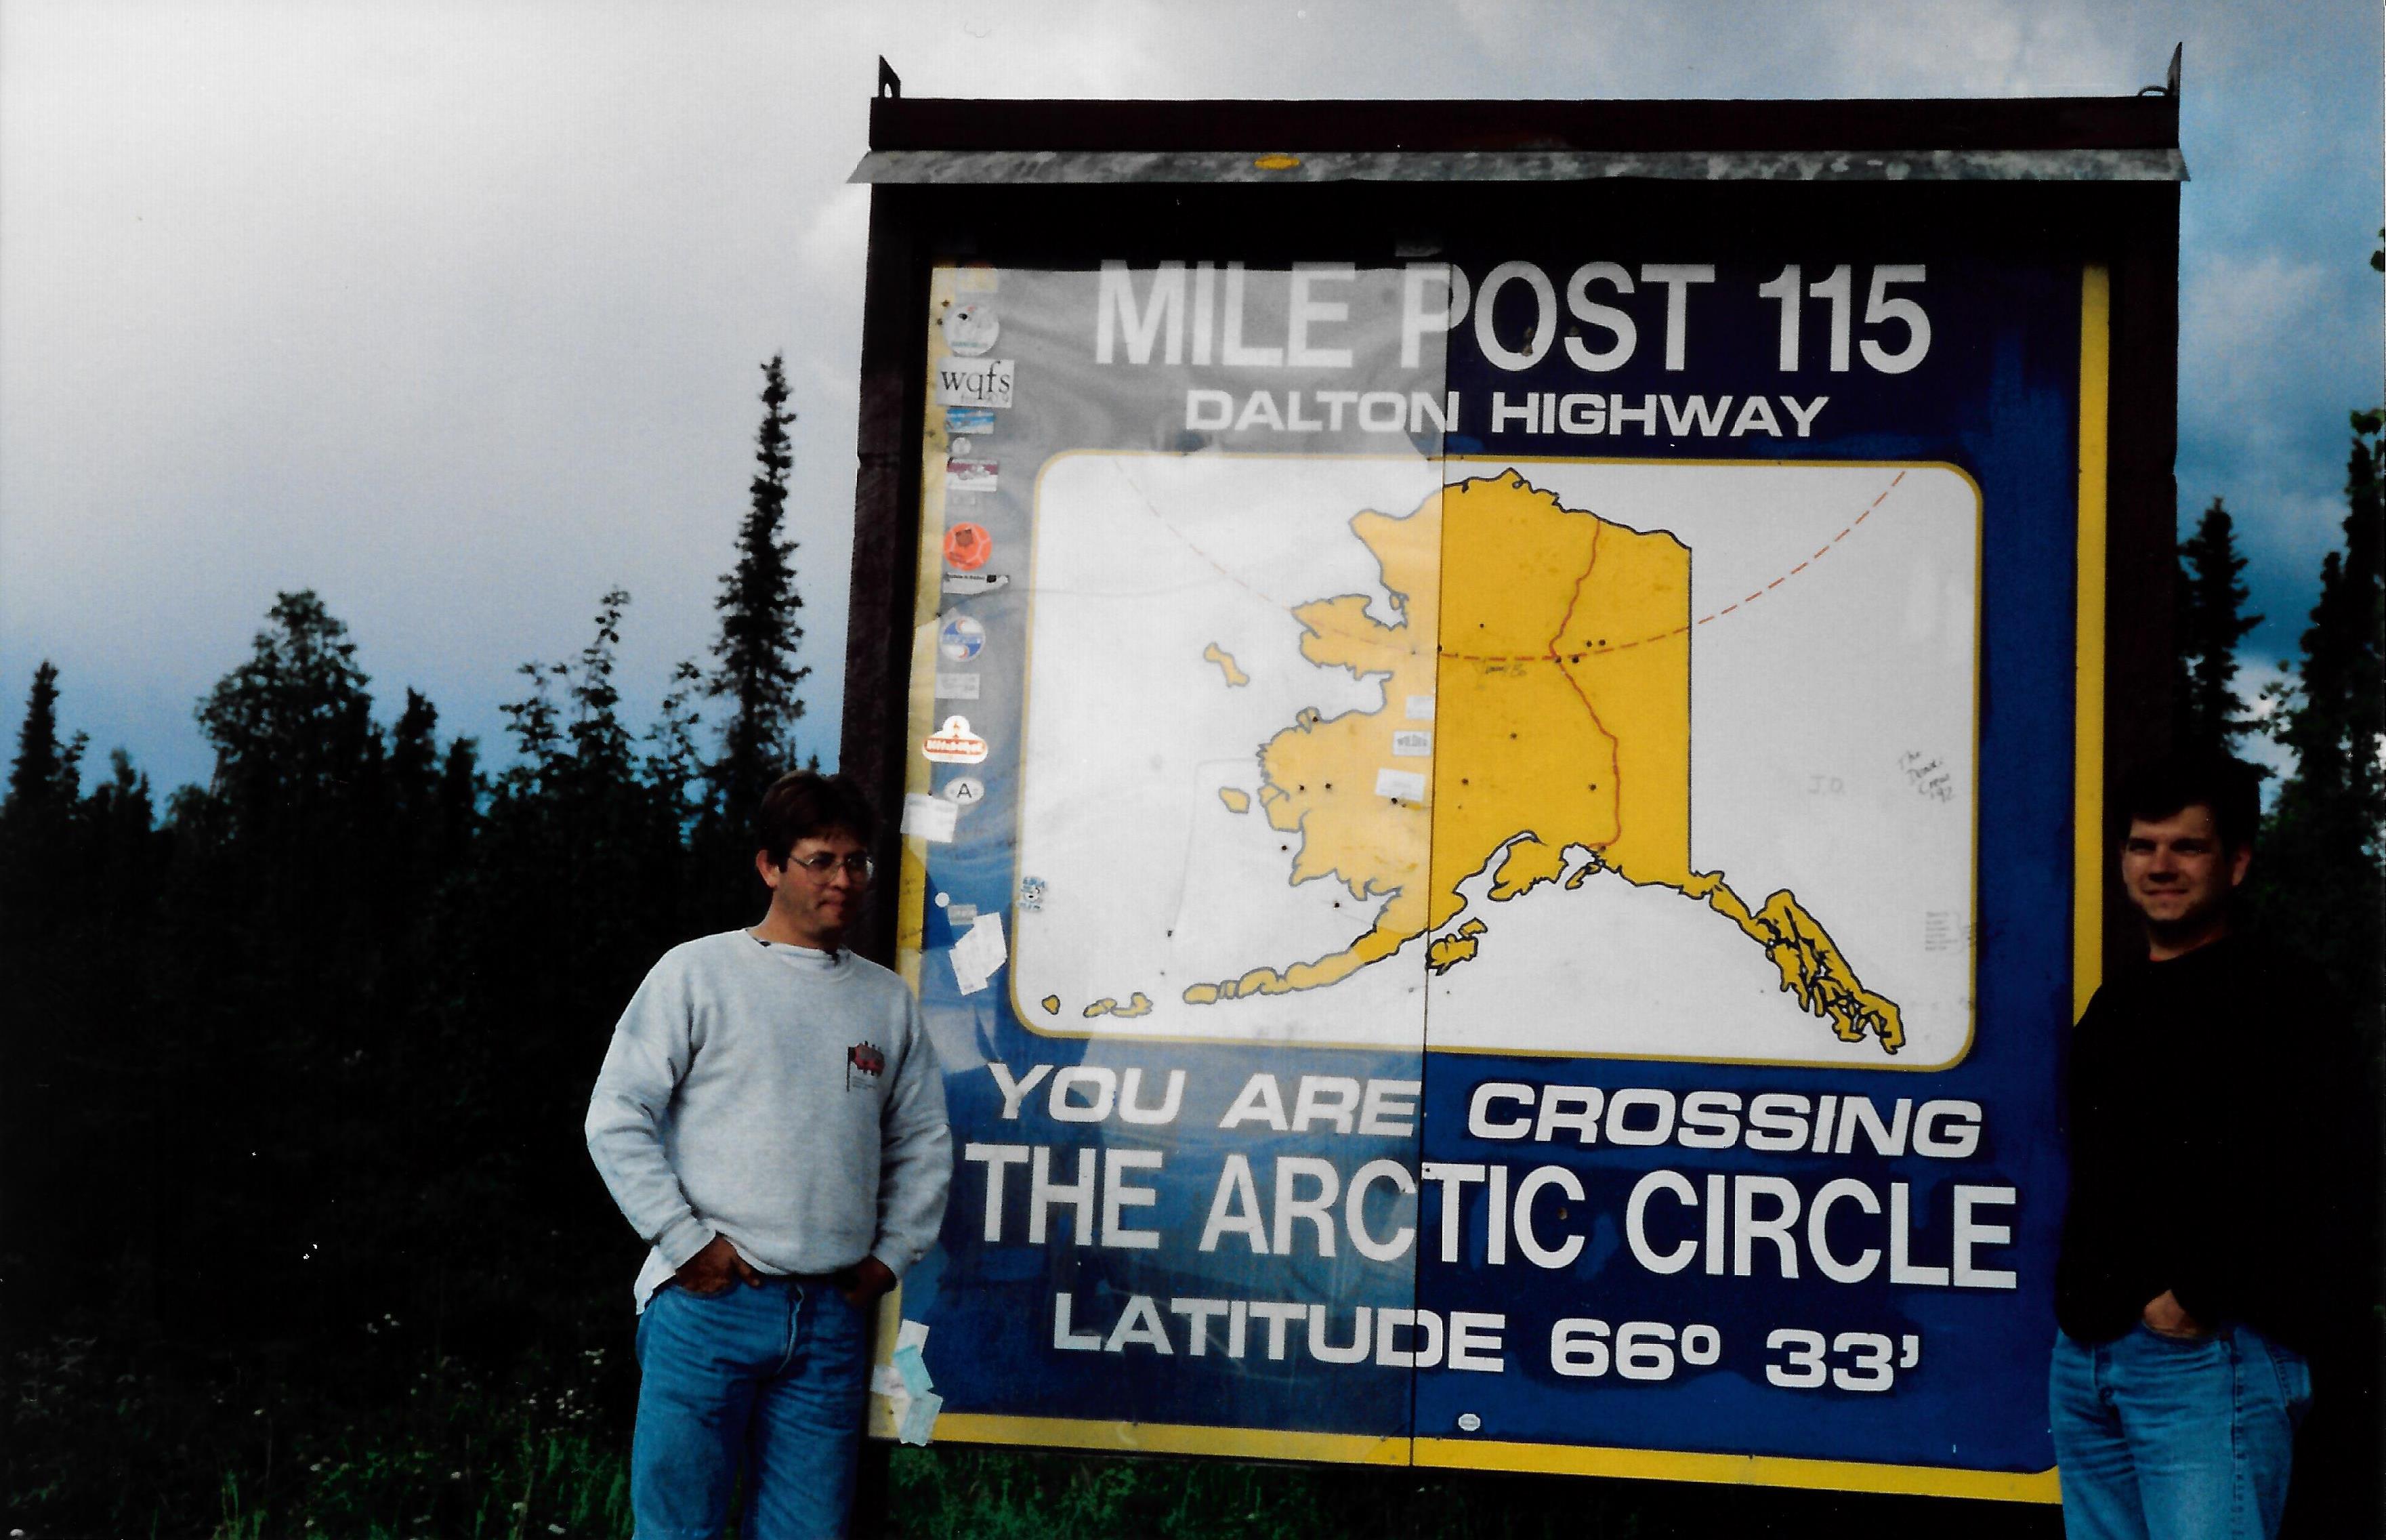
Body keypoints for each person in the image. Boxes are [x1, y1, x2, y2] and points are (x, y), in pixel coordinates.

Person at [587, 770, 951, 1540]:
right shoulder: (698, 971)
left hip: (829, 1315)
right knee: (680, 1528)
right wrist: (685, 1242)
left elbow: (922, 1139)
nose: (843, 880)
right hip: (707, 1303)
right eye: (820, 860)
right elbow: (616, 1115)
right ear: (770, 866)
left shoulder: (886, 1000)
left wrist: (892, 1253)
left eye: (857, 862)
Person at [2049, 754, 2358, 1539]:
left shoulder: (2282, 997)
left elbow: (2318, 1172)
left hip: (2206, 1360)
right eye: (2142, 844)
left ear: (2238, 862)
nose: (2160, 865)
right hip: (2091, 1359)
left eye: (2187, 846)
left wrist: (2193, 1298)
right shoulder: (2117, 1001)